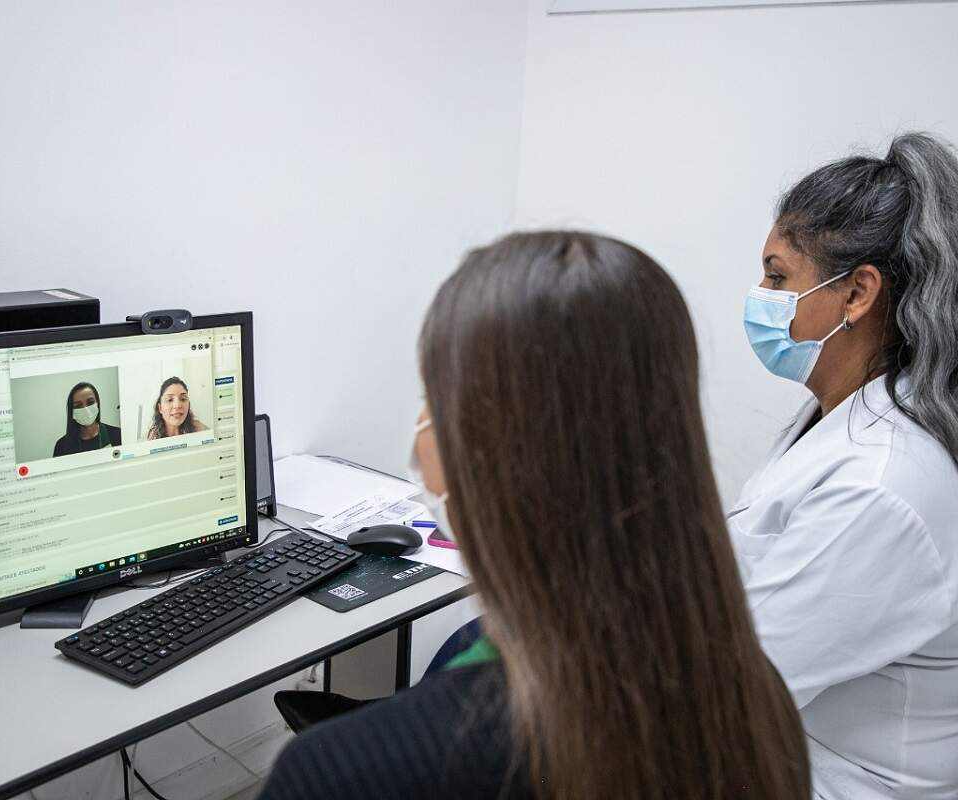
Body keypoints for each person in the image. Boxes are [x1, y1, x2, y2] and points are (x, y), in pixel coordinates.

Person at [261, 232, 811, 799]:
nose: (423, 426)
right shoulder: (754, 694)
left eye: (433, 399)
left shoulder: (336, 775)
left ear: (487, 451)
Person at [734, 132, 958, 798]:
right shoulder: (851, 422)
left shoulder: (882, 485)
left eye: (778, 277)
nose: (761, 294)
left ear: (857, 293)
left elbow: (726, 691)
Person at [52, 381, 122, 457]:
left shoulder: (117, 434)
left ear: (97, 404)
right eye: (78, 405)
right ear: (72, 411)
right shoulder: (61, 446)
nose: (86, 409)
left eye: (90, 402)